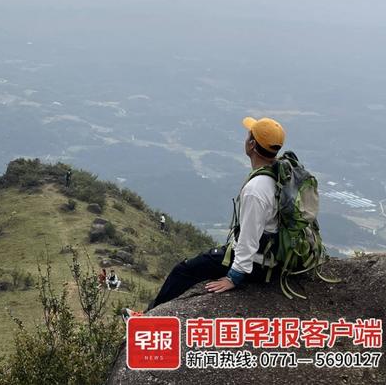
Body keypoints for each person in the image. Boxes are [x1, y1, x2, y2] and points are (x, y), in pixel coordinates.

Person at [122, 116, 284, 320]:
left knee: (183, 270)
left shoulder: (256, 189)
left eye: (248, 136)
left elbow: (249, 240)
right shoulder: (280, 175)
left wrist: (233, 277)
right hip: (273, 257)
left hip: (258, 264)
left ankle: (147, 320)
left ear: (252, 145)